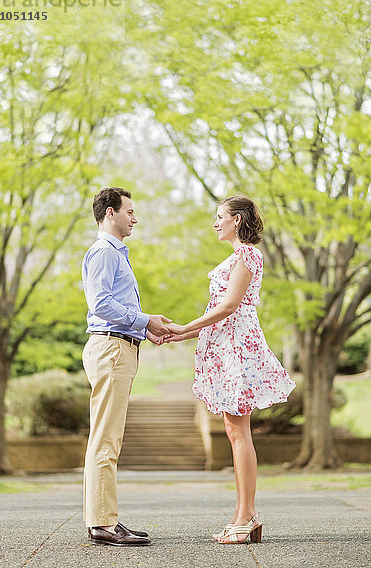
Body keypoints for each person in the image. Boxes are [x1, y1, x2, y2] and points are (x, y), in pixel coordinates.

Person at [166, 194, 295, 544]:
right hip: (226, 343)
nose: (215, 222)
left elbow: (229, 307)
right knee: (234, 429)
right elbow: (219, 310)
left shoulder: (248, 254)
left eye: (219, 216)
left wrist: (182, 327)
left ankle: (247, 514)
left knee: (239, 430)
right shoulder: (237, 256)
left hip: (238, 346)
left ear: (236, 220)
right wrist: (183, 334)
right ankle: (243, 514)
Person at [81, 186, 171, 547]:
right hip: (111, 350)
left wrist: (144, 328)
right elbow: (100, 303)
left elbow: (114, 306)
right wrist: (144, 320)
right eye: (129, 211)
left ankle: (102, 519)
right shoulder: (104, 252)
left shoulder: (115, 253)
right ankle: (102, 523)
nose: (135, 218)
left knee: (106, 438)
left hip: (119, 348)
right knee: (105, 439)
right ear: (110, 214)